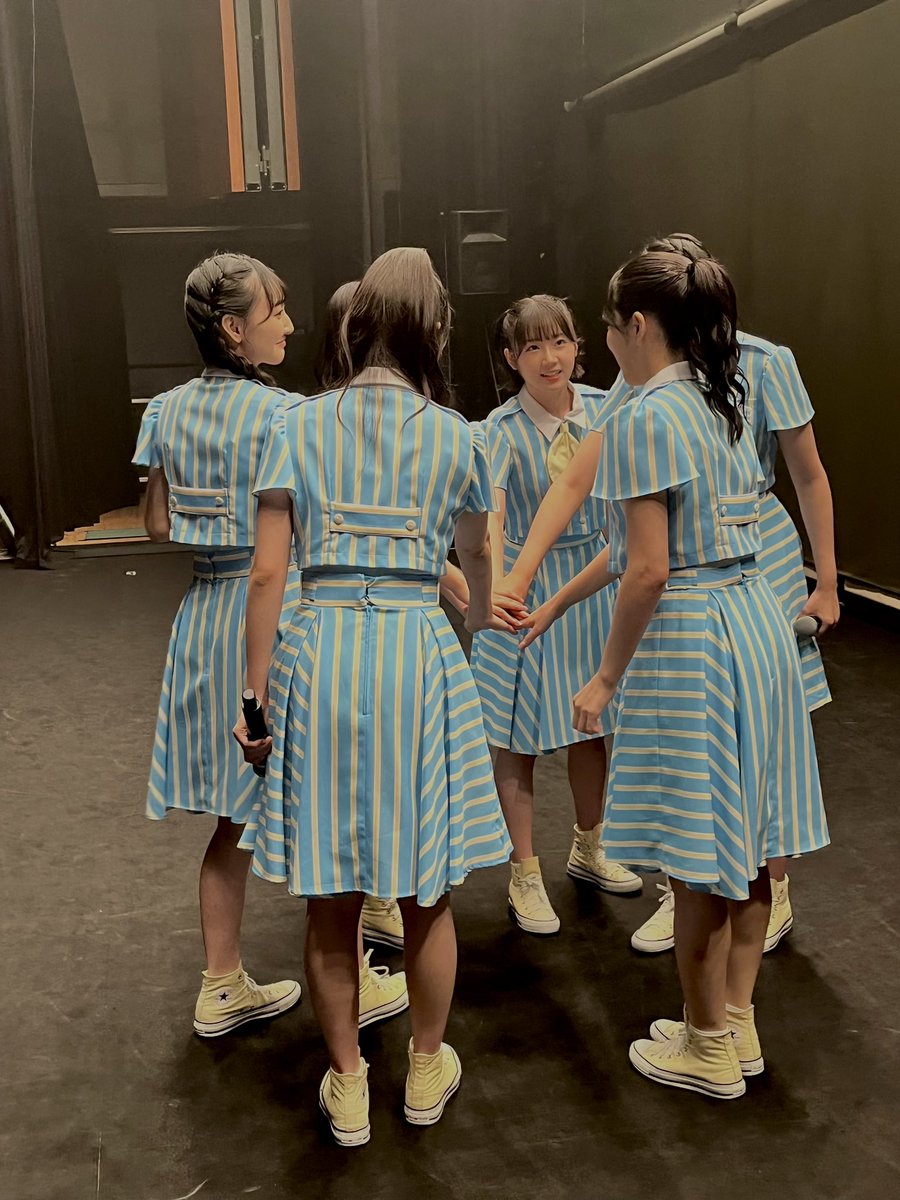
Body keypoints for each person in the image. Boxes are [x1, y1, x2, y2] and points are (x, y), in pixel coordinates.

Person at [519, 251, 828, 1098]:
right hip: (757, 615)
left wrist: (605, 677)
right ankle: (735, 1020)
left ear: (637, 325)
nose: (605, 345)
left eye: (608, 328)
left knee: (699, 858)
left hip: (695, 636)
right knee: (752, 843)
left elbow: (648, 568)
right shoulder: (725, 391)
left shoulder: (649, 413)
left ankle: (704, 1041)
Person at [234, 247, 512, 1145]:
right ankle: (426, 1066)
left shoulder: (297, 424)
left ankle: (348, 1081)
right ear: (433, 326)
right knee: (428, 891)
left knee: (331, 895)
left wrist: (254, 698)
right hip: (419, 655)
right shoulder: (460, 436)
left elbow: (267, 574)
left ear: (359, 323)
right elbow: (476, 559)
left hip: (320, 653)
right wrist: (473, 616)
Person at [135, 252, 405, 1038]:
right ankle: (353, 977)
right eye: (275, 310)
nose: (288, 323)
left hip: (202, 620)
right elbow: (298, 537)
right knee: (327, 805)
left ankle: (222, 982)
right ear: (232, 327)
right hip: (277, 619)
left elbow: (156, 523)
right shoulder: (285, 416)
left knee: (233, 814)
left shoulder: (165, 410)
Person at [469, 295, 640, 936]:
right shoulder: (498, 428)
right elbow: (490, 513)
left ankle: (590, 846)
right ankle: (524, 872)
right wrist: (496, 586)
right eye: (533, 346)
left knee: (591, 724)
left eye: (561, 341)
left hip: (593, 582)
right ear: (511, 358)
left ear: (578, 346)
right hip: (522, 586)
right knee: (516, 738)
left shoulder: (606, 408)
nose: (550, 357)